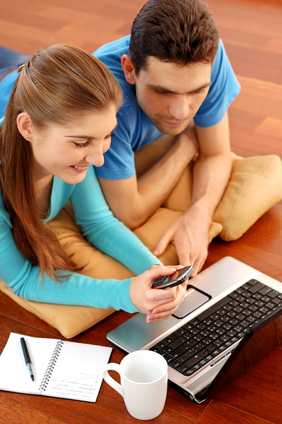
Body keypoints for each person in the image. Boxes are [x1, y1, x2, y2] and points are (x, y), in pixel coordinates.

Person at [0, 44, 187, 324]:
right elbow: (24, 280)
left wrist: (157, 272)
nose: (99, 160)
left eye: (106, 136)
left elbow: (98, 222)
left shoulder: (77, 151)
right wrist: (125, 293)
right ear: (27, 128)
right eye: (81, 142)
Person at [90, 0, 241, 277]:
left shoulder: (210, 58)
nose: (181, 113)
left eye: (196, 91)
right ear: (130, 69)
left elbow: (217, 154)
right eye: (163, 92)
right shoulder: (104, 98)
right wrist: (187, 143)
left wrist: (199, 214)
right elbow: (129, 214)